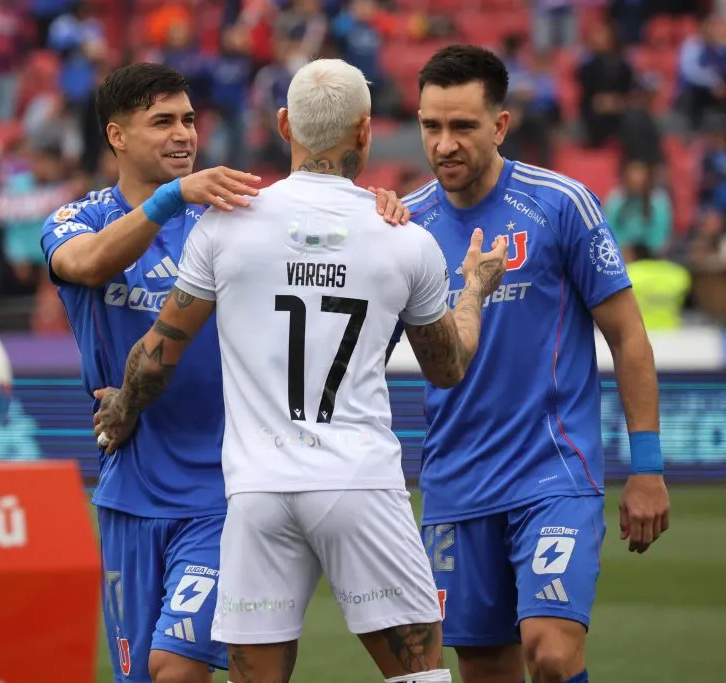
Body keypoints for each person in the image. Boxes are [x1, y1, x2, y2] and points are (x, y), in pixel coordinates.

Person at [92, 58, 510, 683]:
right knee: (417, 674)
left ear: (284, 124)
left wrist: (122, 406)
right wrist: (473, 287)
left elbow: (158, 352)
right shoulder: (403, 237)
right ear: (366, 132)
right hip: (358, 483)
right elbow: (447, 367)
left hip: (258, 492)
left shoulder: (225, 226)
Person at [39, 62, 411, 683]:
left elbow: (338, 250)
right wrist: (168, 200)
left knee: (176, 669)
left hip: (227, 489)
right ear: (117, 135)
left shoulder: (234, 217)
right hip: (129, 487)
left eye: (188, 119)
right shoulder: (77, 220)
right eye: (162, 122)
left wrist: (381, 211)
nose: (183, 134)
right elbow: (84, 264)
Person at [392, 45, 671, 683]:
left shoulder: (560, 205)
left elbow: (627, 336)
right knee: (486, 669)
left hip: (551, 471)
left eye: (462, 126)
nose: (444, 144)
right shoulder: (409, 226)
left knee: (550, 652)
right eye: (431, 126)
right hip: (455, 483)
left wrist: (648, 467)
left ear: (500, 125)